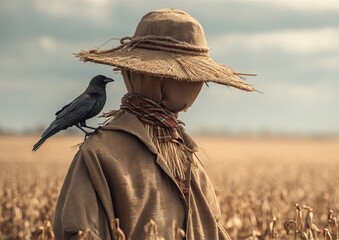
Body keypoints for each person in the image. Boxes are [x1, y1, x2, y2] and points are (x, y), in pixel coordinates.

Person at [53, 9, 255, 240]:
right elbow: (80, 232)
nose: (196, 85)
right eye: (191, 77)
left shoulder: (186, 155)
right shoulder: (101, 155)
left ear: (130, 72)